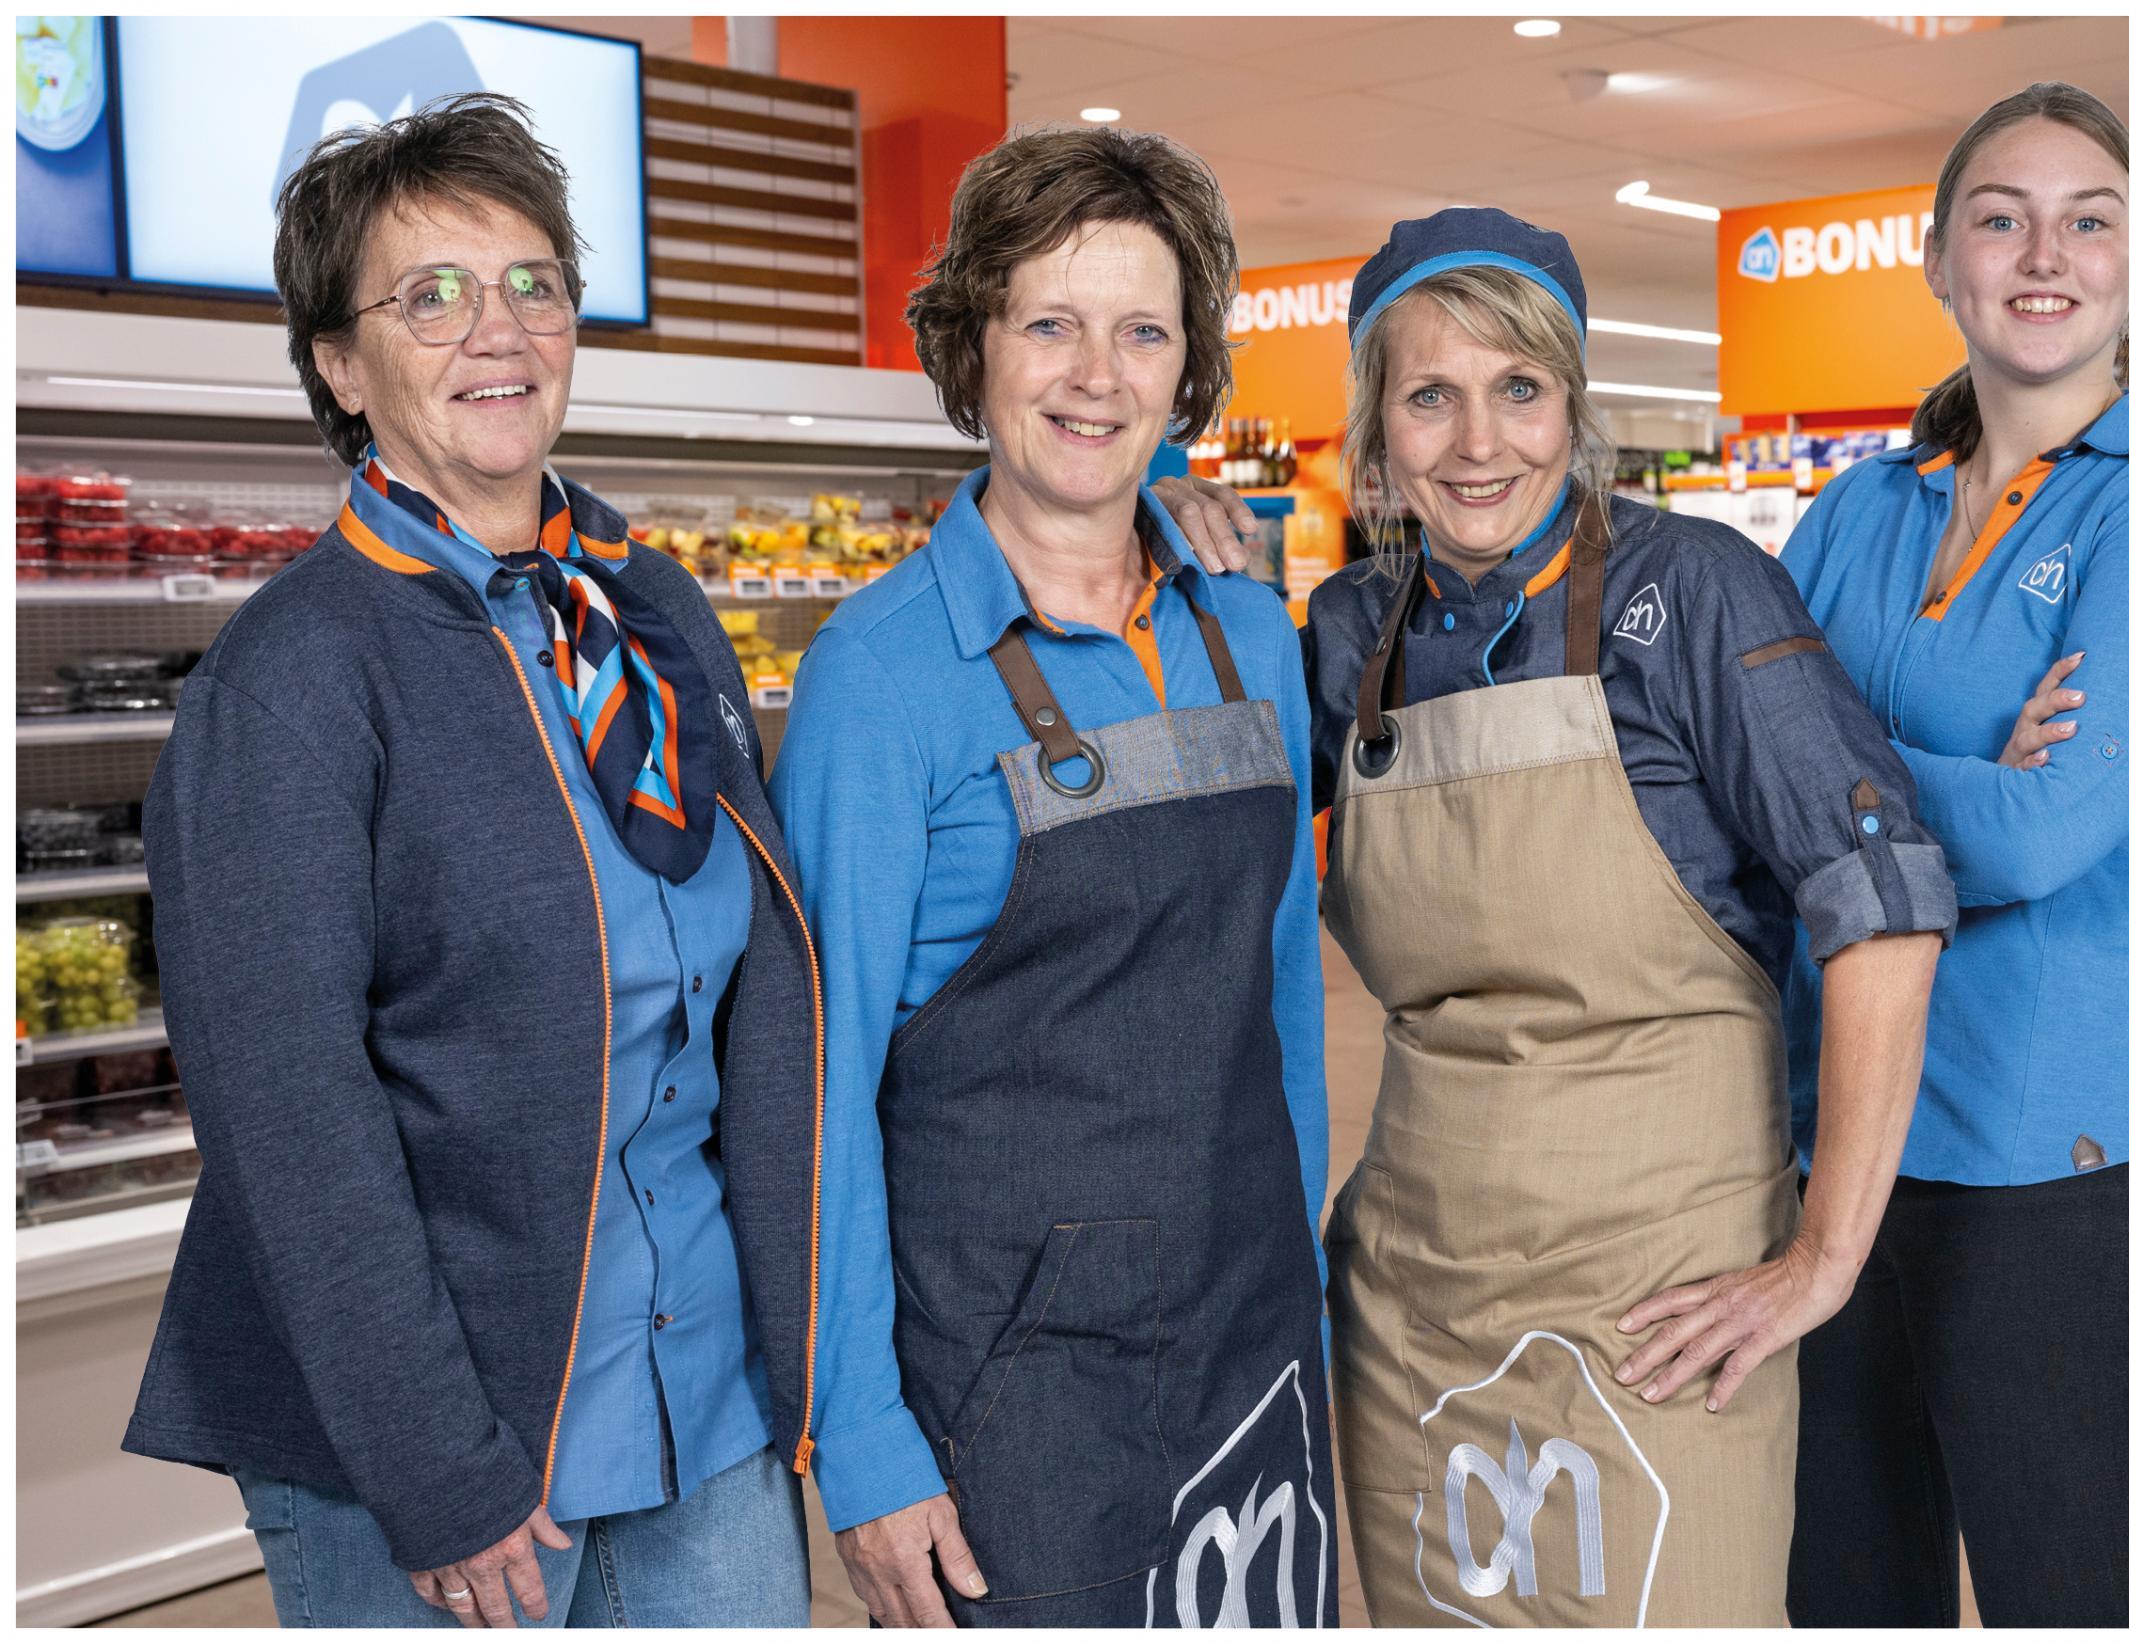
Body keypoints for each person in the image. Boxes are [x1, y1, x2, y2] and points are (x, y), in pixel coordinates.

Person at [1175, 207, 1951, 1626]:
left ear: (1573, 403)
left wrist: (1822, 1261)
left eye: (1519, 389)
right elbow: (1214, 873)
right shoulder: (1352, 629)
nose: (1480, 443)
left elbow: (1885, 903)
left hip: (1662, 1302)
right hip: (1418, 1295)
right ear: (1375, 425)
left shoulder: (1699, 592)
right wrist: (1203, 604)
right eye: (1431, 396)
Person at [124, 95, 822, 1628]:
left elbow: (743, 997)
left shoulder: (649, 614)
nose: (494, 328)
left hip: (699, 1399)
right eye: (427, 296)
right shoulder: (296, 680)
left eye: (532, 283)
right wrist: (437, 1466)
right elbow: (290, 1124)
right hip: (445, 1441)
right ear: (335, 362)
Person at [769, 124, 1335, 1628]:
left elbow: (1280, 1004)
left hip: (1252, 1327)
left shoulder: (1247, 636)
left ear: (1187, 369)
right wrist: (864, 1443)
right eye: (1052, 325)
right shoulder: (879, 679)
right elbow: (815, 1096)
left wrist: (1314, 1319)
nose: (1098, 374)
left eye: (1142, 330)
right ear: (976, 347)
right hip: (1012, 1380)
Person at [1767, 83, 2129, 1628]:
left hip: (2056, 1174)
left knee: (2074, 1600)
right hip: (1832, 1147)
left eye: (2087, 219)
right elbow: (1726, 777)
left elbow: (2046, 836)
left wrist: (1823, 759)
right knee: (1848, 1600)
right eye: (2000, 217)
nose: (2042, 252)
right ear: (1939, 262)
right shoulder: (1857, 510)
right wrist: (1951, 776)